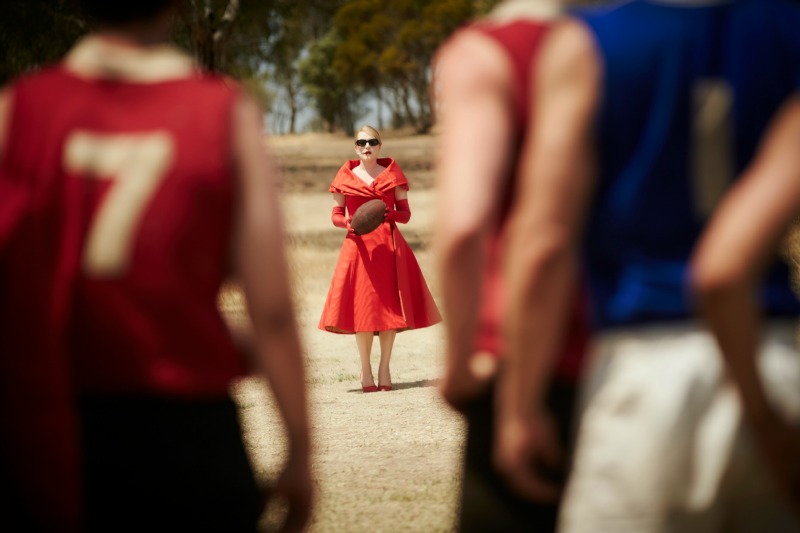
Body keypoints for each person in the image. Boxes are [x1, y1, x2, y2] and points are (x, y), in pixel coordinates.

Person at [0, 1, 314, 531]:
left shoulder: (18, 109)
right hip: (186, 433)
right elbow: (272, 306)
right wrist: (300, 448)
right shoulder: (224, 111)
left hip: (51, 423)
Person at [494, 1, 800, 532]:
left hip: (646, 375)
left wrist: (519, 405)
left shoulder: (588, 44)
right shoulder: (787, 28)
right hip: (772, 352)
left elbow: (544, 241)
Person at [431, 0, 589, 531]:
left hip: (528, 358)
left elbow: (463, 225)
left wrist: (457, 365)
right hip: (641, 344)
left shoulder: (487, 51)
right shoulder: (634, 37)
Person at [319, 125, 441, 393]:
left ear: (379, 146)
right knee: (363, 309)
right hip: (358, 247)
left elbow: (406, 214)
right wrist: (346, 222)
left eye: (372, 142)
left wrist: (388, 215)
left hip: (388, 246)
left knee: (389, 310)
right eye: (362, 142)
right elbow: (336, 213)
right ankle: (365, 369)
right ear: (355, 147)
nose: (367, 146)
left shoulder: (393, 175)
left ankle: (385, 368)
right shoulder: (345, 175)